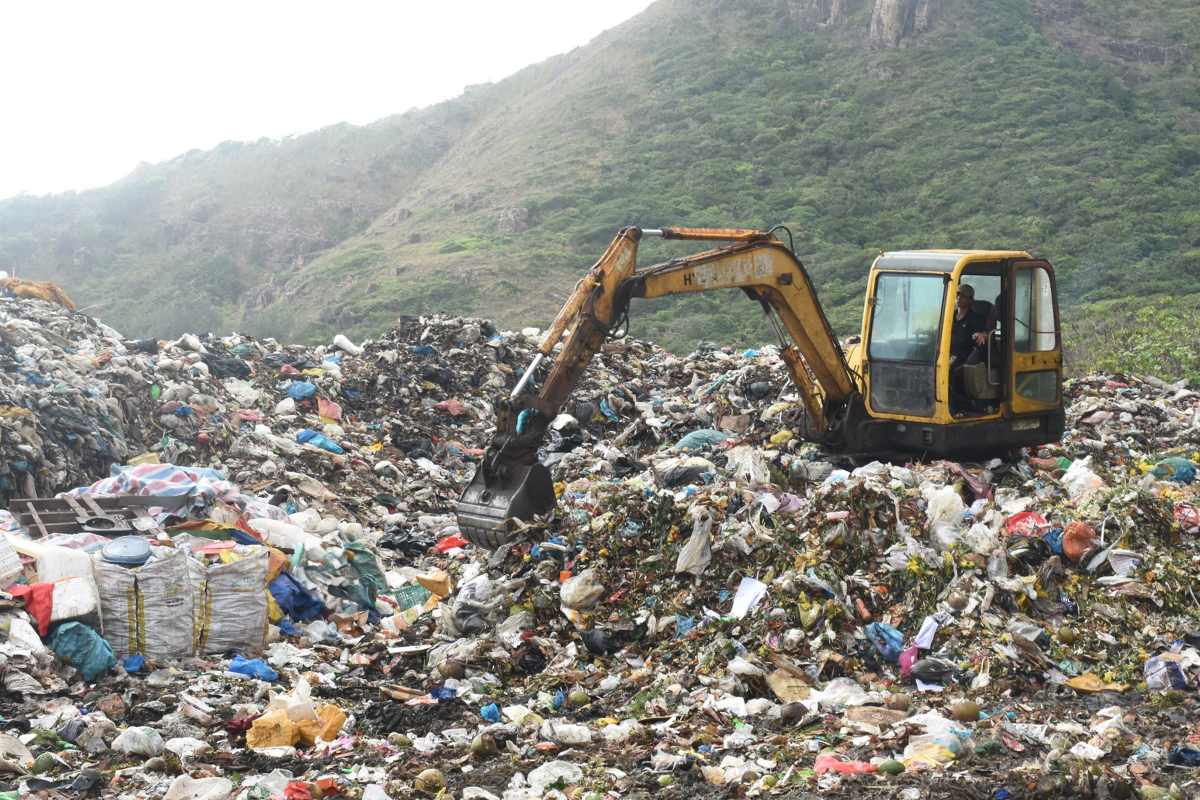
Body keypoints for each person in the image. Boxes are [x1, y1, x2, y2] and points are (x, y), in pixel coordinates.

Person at [949, 284, 988, 412]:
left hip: (963, 356)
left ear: (971, 300)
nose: (959, 298)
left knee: (950, 372)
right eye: (957, 294)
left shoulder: (975, 318)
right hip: (946, 354)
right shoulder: (949, 316)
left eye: (963, 296)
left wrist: (982, 334)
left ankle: (957, 408)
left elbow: (984, 334)